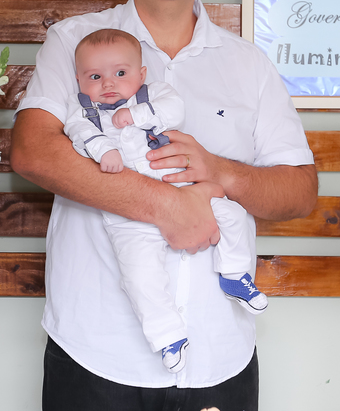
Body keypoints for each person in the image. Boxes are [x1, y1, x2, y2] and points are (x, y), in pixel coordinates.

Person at [11, 0, 316, 411]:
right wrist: (165, 206)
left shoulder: (249, 65)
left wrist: (221, 171)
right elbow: (34, 151)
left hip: (219, 358)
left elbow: (300, 191)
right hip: (96, 350)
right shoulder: (74, 42)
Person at [65, 28, 270, 374]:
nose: (109, 83)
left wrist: (136, 116)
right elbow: (77, 132)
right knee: (139, 276)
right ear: (79, 80)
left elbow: (174, 110)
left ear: (141, 73)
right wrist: (103, 149)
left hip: (183, 188)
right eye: (95, 77)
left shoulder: (153, 94)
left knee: (231, 214)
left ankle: (234, 273)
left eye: (120, 73)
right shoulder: (82, 110)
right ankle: (167, 336)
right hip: (126, 214)